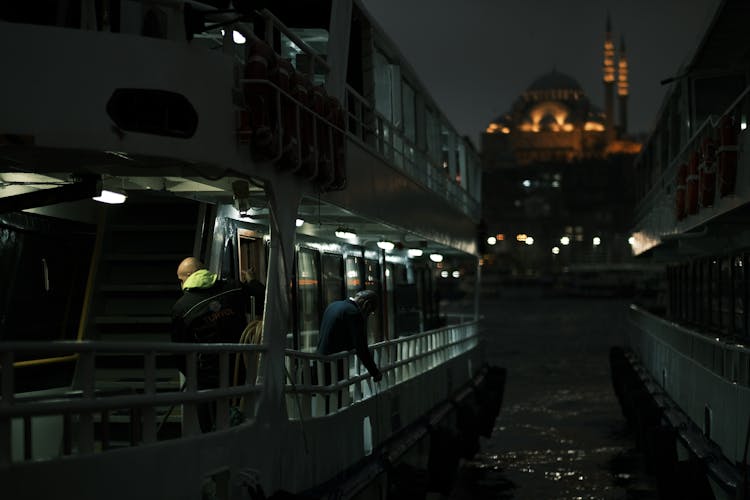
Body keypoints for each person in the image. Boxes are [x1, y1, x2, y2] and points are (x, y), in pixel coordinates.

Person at [171, 257, 251, 432]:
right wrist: (251, 281)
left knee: (211, 429)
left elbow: (179, 352)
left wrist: (194, 375)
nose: (181, 283)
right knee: (240, 422)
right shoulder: (234, 288)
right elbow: (259, 296)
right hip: (239, 371)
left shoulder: (182, 307)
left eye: (181, 279)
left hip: (207, 379)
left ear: (189, 276)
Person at [316, 290, 383, 382]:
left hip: (320, 359)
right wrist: (375, 372)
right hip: (336, 363)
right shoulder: (354, 313)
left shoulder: (333, 305)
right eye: (370, 312)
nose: (367, 316)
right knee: (338, 393)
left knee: (325, 394)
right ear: (366, 304)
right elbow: (361, 347)